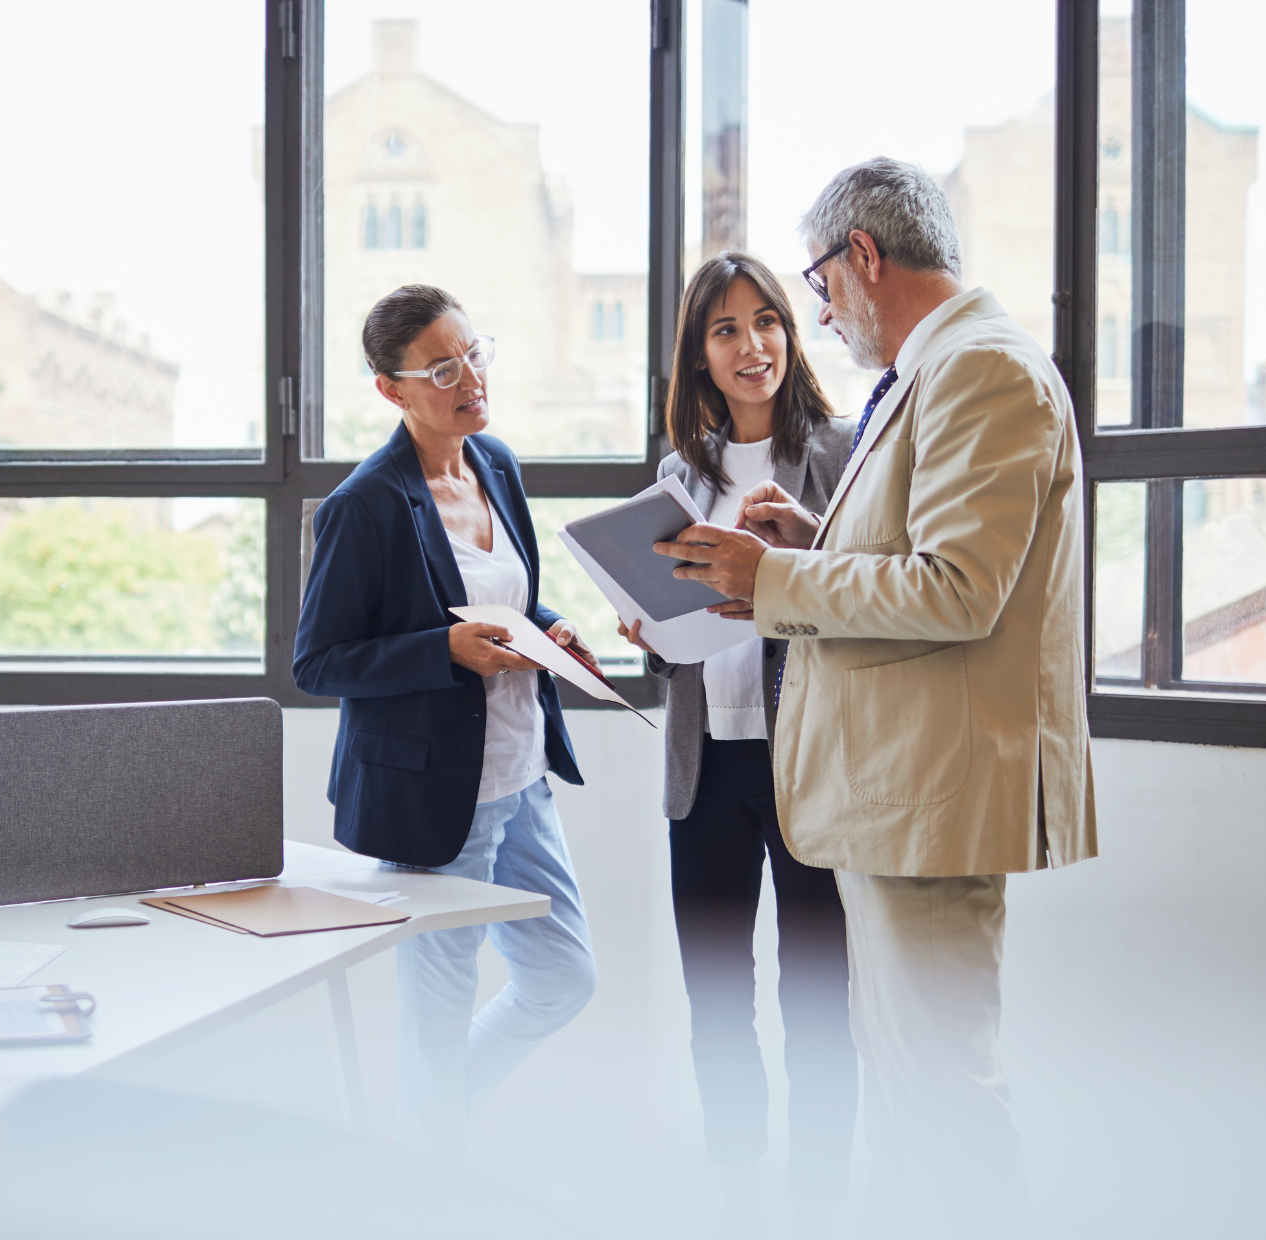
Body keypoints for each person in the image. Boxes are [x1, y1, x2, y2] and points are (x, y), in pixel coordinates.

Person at [654, 159, 1097, 1235]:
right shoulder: (930, 373)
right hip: (894, 796)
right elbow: (918, 556)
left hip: (930, 795)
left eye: (815, 285)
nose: (819, 315)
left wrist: (776, 581)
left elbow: (957, 589)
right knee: (907, 1093)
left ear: (862, 256)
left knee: (941, 1089)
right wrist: (811, 542)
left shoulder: (980, 370)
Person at [293, 284, 597, 1158]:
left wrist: (551, 628)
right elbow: (318, 663)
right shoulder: (368, 504)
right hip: (435, 802)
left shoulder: (494, 462)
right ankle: (426, 1176)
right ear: (391, 389)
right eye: (441, 368)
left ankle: (428, 1123)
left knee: (563, 977)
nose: (469, 378)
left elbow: (512, 599)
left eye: (473, 353)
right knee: (434, 1021)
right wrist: (444, 651)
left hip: (523, 774)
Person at [616, 252, 857, 1221]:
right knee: (715, 992)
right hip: (703, 762)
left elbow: (864, 597)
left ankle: (816, 1196)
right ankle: (733, 1186)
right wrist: (648, 631)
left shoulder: (839, 455)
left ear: (789, 335)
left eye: (765, 321)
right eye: (724, 330)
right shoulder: (679, 476)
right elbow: (678, 621)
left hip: (808, 762)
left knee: (817, 996)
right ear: (699, 356)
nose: (750, 344)